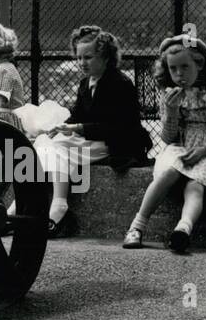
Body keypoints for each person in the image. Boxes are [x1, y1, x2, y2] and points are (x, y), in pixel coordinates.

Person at [33, 25, 152, 235]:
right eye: (78, 58)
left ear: (106, 57)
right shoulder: (84, 83)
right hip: (92, 141)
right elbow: (77, 115)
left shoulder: (120, 84)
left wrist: (75, 128)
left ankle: (59, 205)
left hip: (117, 145)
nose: (81, 63)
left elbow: (118, 128)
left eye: (88, 58)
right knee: (42, 143)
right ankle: (23, 205)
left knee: (58, 147)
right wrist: (57, 128)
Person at [123, 31, 206, 254]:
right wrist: (171, 111)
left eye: (185, 67)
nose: (179, 74)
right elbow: (167, 138)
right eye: (173, 68)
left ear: (200, 64)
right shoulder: (169, 94)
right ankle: (137, 226)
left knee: (195, 186)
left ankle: (183, 230)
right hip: (179, 147)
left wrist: (204, 150)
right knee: (170, 172)